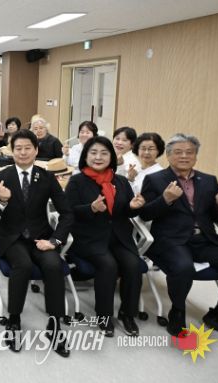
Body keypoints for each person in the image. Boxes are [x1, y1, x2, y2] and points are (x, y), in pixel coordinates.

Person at [0, 129, 73, 357]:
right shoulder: (1, 176)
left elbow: (67, 213)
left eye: (27, 148)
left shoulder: (46, 177)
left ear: (36, 150)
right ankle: (14, 320)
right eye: (18, 148)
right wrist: (2, 200)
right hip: (12, 237)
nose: (23, 152)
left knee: (53, 265)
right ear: (11, 151)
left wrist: (55, 240)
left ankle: (55, 324)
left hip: (41, 237)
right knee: (22, 265)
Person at [140, 133, 218, 337]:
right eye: (178, 152)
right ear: (168, 156)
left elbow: (217, 218)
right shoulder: (155, 180)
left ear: (196, 156)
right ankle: (177, 311)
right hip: (171, 240)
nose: (184, 156)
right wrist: (165, 199)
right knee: (183, 267)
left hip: (204, 240)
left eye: (190, 152)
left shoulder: (209, 180)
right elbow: (145, 214)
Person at [65, 137, 145, 337]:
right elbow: (69, 212)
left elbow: (126, 211)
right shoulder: (77, 181)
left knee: (134, 265)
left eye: (104, 153)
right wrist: (91, 208)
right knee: (108, 265)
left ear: (111, 157)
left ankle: (128, 314)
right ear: (85, 156)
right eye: (93, 153)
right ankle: (104, 316)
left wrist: (133, 207)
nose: (98, 157)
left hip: (118, 237)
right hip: (89, 237)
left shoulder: (121, 181)